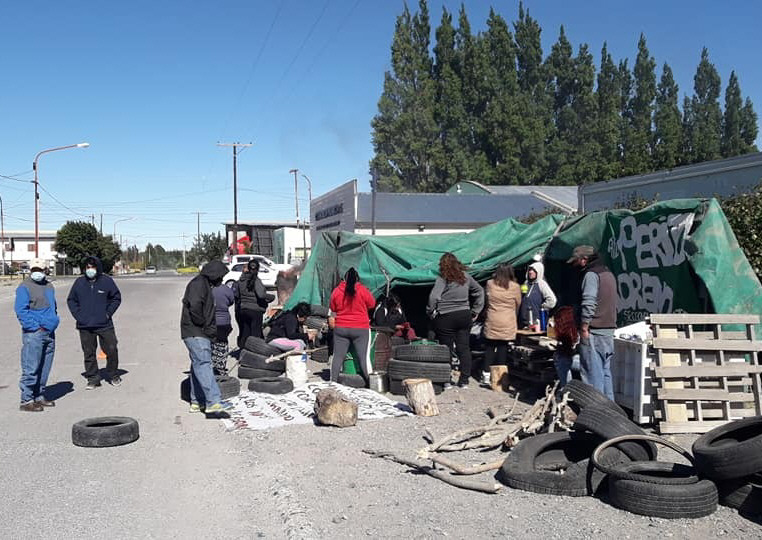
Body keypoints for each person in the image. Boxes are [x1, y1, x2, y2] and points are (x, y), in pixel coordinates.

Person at [427, 253, 485, 388]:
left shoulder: (443, 278)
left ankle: (446, 380)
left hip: (446, 316)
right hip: (464, 315)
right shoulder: (466, 277)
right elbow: (480, 291)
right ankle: (464, 380)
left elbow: (434, 296)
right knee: (464, 348)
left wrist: (431, 311)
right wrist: (476, 310)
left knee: (446, 348)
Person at [181, 260, 231, 414]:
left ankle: (197, 402)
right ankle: (213, 402)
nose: (222, 280)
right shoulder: (198, 284)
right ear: (214, 274)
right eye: (221, 276)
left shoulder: (204, 285)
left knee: (197, 365)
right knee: (203, 364)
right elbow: (195, 306)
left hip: (198, 331)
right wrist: (204, 325)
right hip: (196, 331)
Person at [567, 245, 617, 400]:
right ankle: (611, 413)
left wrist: (584, 327)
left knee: (592, 378)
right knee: (605, 374)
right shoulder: (608, 273)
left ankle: (595, 414)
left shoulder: (591, 275)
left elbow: (589, 302)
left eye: (576, 261)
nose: (575, 265)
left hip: (594, 330)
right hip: (608, 329)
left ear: (584, 259)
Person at [66, 256, 123, 389]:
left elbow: (116, 298)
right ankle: (93, 378)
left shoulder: (106, 281)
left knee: (112, 349)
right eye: (88, 268)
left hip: (104, 324)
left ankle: (113, 374)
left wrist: (107, 313)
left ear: (97, 268)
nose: (90, 270)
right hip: (85, 325)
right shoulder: (79, 283)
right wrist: (78, 316)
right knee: (89, 352)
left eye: (92, 267)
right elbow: (71, 300)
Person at [14, 258, 59, 411]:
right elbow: (21, 310)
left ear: (45, 270)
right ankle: (26, 400)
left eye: (39, 270)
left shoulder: (49, 286)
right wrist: (35, 327)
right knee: (31, 367)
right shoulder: (24, 287)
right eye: (34, 270)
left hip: (49, 332)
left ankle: (39, 396)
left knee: (45, 367)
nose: (37, 273)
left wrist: (53, 321)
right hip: (35, 333)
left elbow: (54, 307)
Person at [329, 267, 376, 383]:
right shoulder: (362, 290)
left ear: (344, 279)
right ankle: (371, 384)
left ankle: (332, 383)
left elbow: (333, 308)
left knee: (337, 357)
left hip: (341, 329)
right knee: (364, 359)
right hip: (360, 329)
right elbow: (372, 304)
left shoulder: (337, 290)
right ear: (357, 279)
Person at [481, 264, 522, 385]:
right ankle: (500, 378)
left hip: (493, 318)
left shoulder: (490, 284)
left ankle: (486, 375)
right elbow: (518, 303)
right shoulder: (515, 287)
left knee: (489, 347)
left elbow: (486, 301)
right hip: (507, 320)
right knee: (502, 348)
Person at [236, 259, 274, 346]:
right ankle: (254, 353)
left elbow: (237, 295)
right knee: (255, 335)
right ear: (258, 269)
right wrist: (272, 297)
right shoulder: (256, 280)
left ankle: (243, 351)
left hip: (243, 309)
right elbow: (261, 295)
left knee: (245, 332)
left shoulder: (241, 280)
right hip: (255, 311)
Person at [518, 261, 557, 329]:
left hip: (536, 322)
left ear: (538, 272)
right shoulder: (526, 283)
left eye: (533, 270)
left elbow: (552, 300)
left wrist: (542, 307)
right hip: (524, 322)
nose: (530, 272)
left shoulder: (541, 284)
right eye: (530, 269)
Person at [211, 281, 235, 375]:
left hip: (211, 321)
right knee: (222, 344)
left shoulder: (208, 289)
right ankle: (221, 368)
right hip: (224, 321)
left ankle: (212, 367)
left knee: (211, 345)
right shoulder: (226, 289)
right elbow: (231, 301)